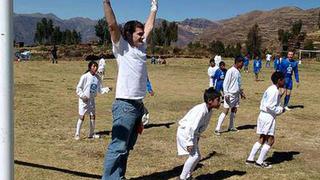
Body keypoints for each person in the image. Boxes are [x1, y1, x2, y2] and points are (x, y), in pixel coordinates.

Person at [101, 0, 158, 179]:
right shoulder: (122, 47)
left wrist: (154, 8)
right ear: (128, 34)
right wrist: (106, 2)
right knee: (118, 146)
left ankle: (119, 176)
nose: (142, 36)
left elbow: (149, 26)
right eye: (139, 34)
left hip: (138, 105)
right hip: (124, 105)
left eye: (142, 34)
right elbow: (111, 25)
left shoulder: (141, 47)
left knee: (126, 147)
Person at [177, 87, 221, 180]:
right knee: (195, 156)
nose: (220, 102)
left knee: (197, 156)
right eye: (218, 100)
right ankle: (182, 177)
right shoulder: (201, 110)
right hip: (185, 132)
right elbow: (190, 126)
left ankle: (187, 175)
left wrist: (197, 137)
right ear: (210, 101)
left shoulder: (209, 110)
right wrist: (189, 142)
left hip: (192, 134)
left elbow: (199, 127)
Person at [245, 71, 285, 168]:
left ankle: (250, 159)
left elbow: (268, 102)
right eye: (283, 79)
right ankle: (260, 161)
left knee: (262, 138)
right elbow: (270, 105)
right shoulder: (274, 91)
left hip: (263, 115)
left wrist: (280, 95)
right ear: (279, 80)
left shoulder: (270, 89)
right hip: (268, 117)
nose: (284, 81)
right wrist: (281, 110)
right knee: (270, 140)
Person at [75, 61, 111, 140]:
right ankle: (77, 134)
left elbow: (100, 90)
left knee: (93, 116)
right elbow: (78, 88)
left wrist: (107, 89)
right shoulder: (85, 76)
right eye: (94, 66)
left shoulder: (98, 77)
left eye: (96, 66)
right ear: (90, 67)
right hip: (83, 100)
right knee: (82, 116)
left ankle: (91, 134)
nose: (95, 68)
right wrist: (82, 96)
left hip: (91, 100)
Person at [214, 56, 246, 135]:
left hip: (236, 94)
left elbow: (238, 83)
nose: (243, 65)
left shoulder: (238, 72)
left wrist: (241, 92)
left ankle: (231, 126)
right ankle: (217, 129)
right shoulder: (230, 71)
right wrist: (226, 93)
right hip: (230, 94)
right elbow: (225, 83)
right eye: (242, 63)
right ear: (238, 62)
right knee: (226, 110)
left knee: (234, 109)